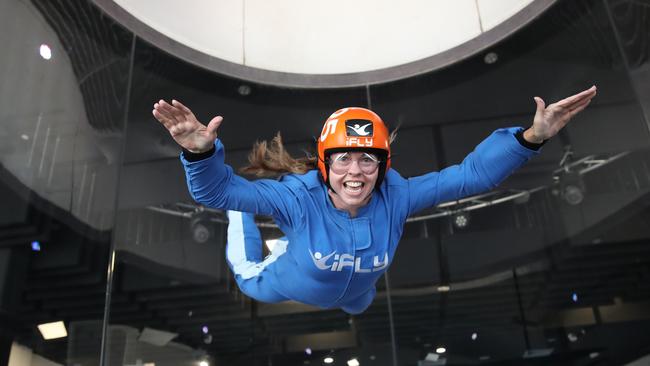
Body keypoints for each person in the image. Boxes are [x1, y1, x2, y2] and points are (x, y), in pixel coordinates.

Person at [152, 86, 596, 314]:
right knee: (246, 265)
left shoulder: (397, 195)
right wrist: (200, 152)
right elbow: (215, 190)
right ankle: (252, 225)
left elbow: (471, 176)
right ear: (325, 165)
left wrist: (533, 136)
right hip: (284, 280)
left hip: (358, 291)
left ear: (383, 165)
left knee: (359, 303)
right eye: (343, 159)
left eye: (369, 160)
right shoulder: (297, 198)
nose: (356, 172)